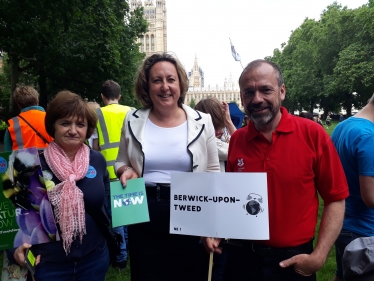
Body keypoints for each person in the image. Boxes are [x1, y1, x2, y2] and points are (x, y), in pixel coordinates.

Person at [203, 59, 349, 281]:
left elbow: (336, 199)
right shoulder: (238, 140)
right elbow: (234, 201)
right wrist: (218, 232)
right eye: (249, 92)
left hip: (294, 261)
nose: (257, 98)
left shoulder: (313, 134)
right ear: (241, 98)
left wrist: (319, 256)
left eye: (265, 90)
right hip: (242, 257)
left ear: (282, 92)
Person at [115, 52, 220, 281]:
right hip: (144, 210)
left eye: (171, 80)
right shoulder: (132, 120)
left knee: (191, 272)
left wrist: (212, 223)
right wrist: (125, 171)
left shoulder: (203, 122)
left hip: (190, 207)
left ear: (181, 84)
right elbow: (120, 162)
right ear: (147, 86)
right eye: (157, 80)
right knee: (147, 273)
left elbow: (213, 173)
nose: (165, 87)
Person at [11, 91, 110, 281]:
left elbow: (104, 199)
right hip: (49, 265)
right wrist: (14, 250)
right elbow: (12, 216)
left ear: (87, 128)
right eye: (65, 123)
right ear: (53, 126)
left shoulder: (97, 160)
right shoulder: (28, 166)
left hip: (94, 260)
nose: (73, 130)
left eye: (80, 124)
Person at [331, 94, 374, 281]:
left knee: (341, 276)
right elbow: (370, 197)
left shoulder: (343, 126)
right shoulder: (369, 135)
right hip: (365, 234)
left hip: (342, 225)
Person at [194, 97, 235, 281]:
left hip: (208, 206)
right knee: (215, 263)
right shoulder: (213, 143)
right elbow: (239, 146)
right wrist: (228, 122)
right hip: (215, 207)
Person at [94, 80, 132, 269]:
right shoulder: (132, 111)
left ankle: (120, 257)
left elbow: (94, 145)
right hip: (130, 171)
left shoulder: (97, 114)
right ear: (120, 95)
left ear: (102, 96)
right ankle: (127, 250)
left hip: (108, 172)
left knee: (116, 216)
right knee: (130, 214)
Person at [4, 86, 53, 151]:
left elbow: (7, 155)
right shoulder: (52, 118)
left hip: (24, 160)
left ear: (19, 105)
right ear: (37, 101)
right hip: (50, 159)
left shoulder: (13, 124)